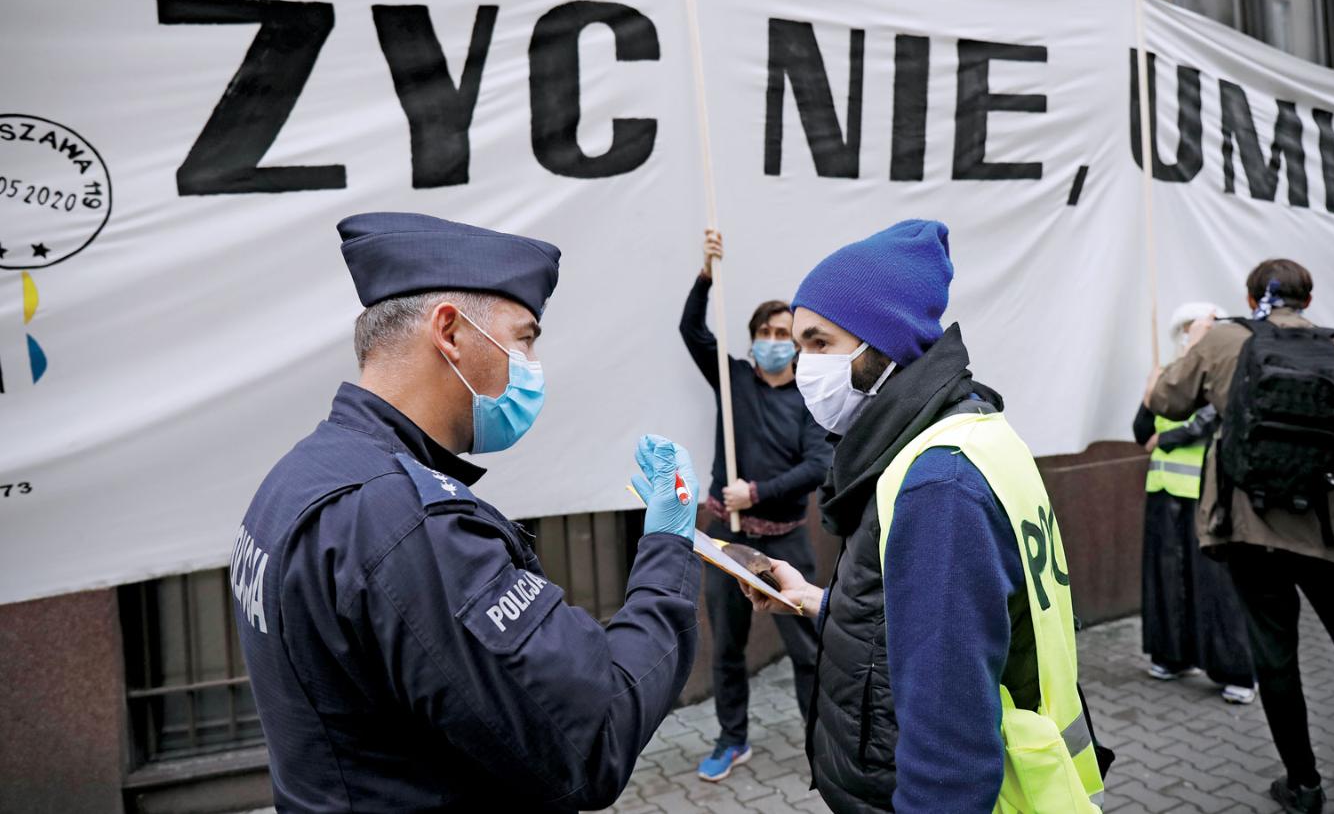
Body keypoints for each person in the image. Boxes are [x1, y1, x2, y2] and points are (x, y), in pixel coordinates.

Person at [231, 212, 702, 813]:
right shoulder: (406, 522)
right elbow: (593, 738)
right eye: (525, 338)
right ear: (450, 331)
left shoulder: (302, 473)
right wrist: (668, 548)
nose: (532, 362)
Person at [744, 220, 1104, 813]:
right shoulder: (970, 431)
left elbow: (948, 749)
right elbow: (927, 629)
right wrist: (813, 600)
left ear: (882, 344)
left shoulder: (937, 483)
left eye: (820, 343)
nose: (805, 366)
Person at [1148, 259, 1334, 814]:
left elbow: (1165, 401)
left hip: (1251, 531)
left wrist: (1197, 347)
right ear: (1308, 300)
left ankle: (1303, 786)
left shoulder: (1224, 341)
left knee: (1276, 658)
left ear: (1250, 296)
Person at [680, 228, 832, 782]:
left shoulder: (809, 398)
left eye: (782, 333)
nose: (773, 340)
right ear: (752, 340)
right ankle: (732, 739)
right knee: (727, 648)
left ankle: (822, 744)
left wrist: (757, 492)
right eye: (764, 332)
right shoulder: (734, 380)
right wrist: (706, 275)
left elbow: (817, 466)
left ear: (795, 342)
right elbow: (691, 330)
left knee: (808, 649)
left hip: (785, 539)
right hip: (729, 539)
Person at [1133, 302, 1255, 703]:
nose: (1191, 335)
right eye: (1186, 328)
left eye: (1197, 328)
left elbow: (1210, 419)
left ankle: (1236, 670)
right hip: (1163, 491)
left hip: (1207, 492)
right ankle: (1171, 657)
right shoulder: (1168, 374)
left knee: (1215, 582)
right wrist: (1149, 395)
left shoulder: (1222, 370)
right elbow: (1141, 432)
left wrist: (1165, 439)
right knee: (1166, 577)